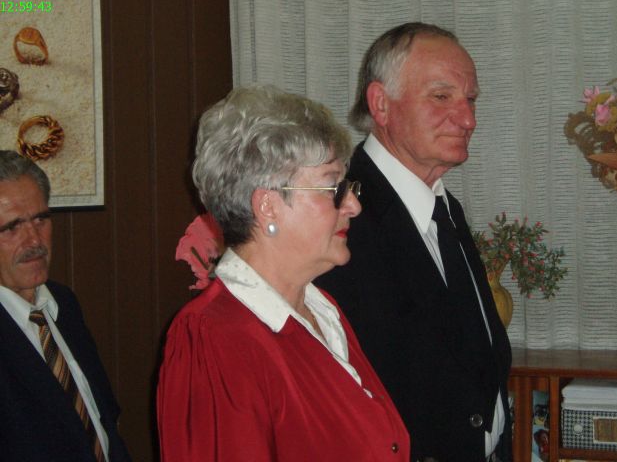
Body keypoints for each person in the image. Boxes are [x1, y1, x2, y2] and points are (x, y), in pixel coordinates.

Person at [156, 85, 409, 461]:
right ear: (268, 206)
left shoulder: (322, 308)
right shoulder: (214, 338)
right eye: (333, 187)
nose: (353, 205)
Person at [315, 23, 512, 462]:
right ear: (381, 104)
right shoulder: (338, 216)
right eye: (442, 96)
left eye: (471, 100)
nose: (468, 119)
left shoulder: (443, 205)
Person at [0, 150, 131, 462]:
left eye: (41, 219)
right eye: (12, 227)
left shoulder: (63, 303)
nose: (34, 240)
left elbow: (104, 417)